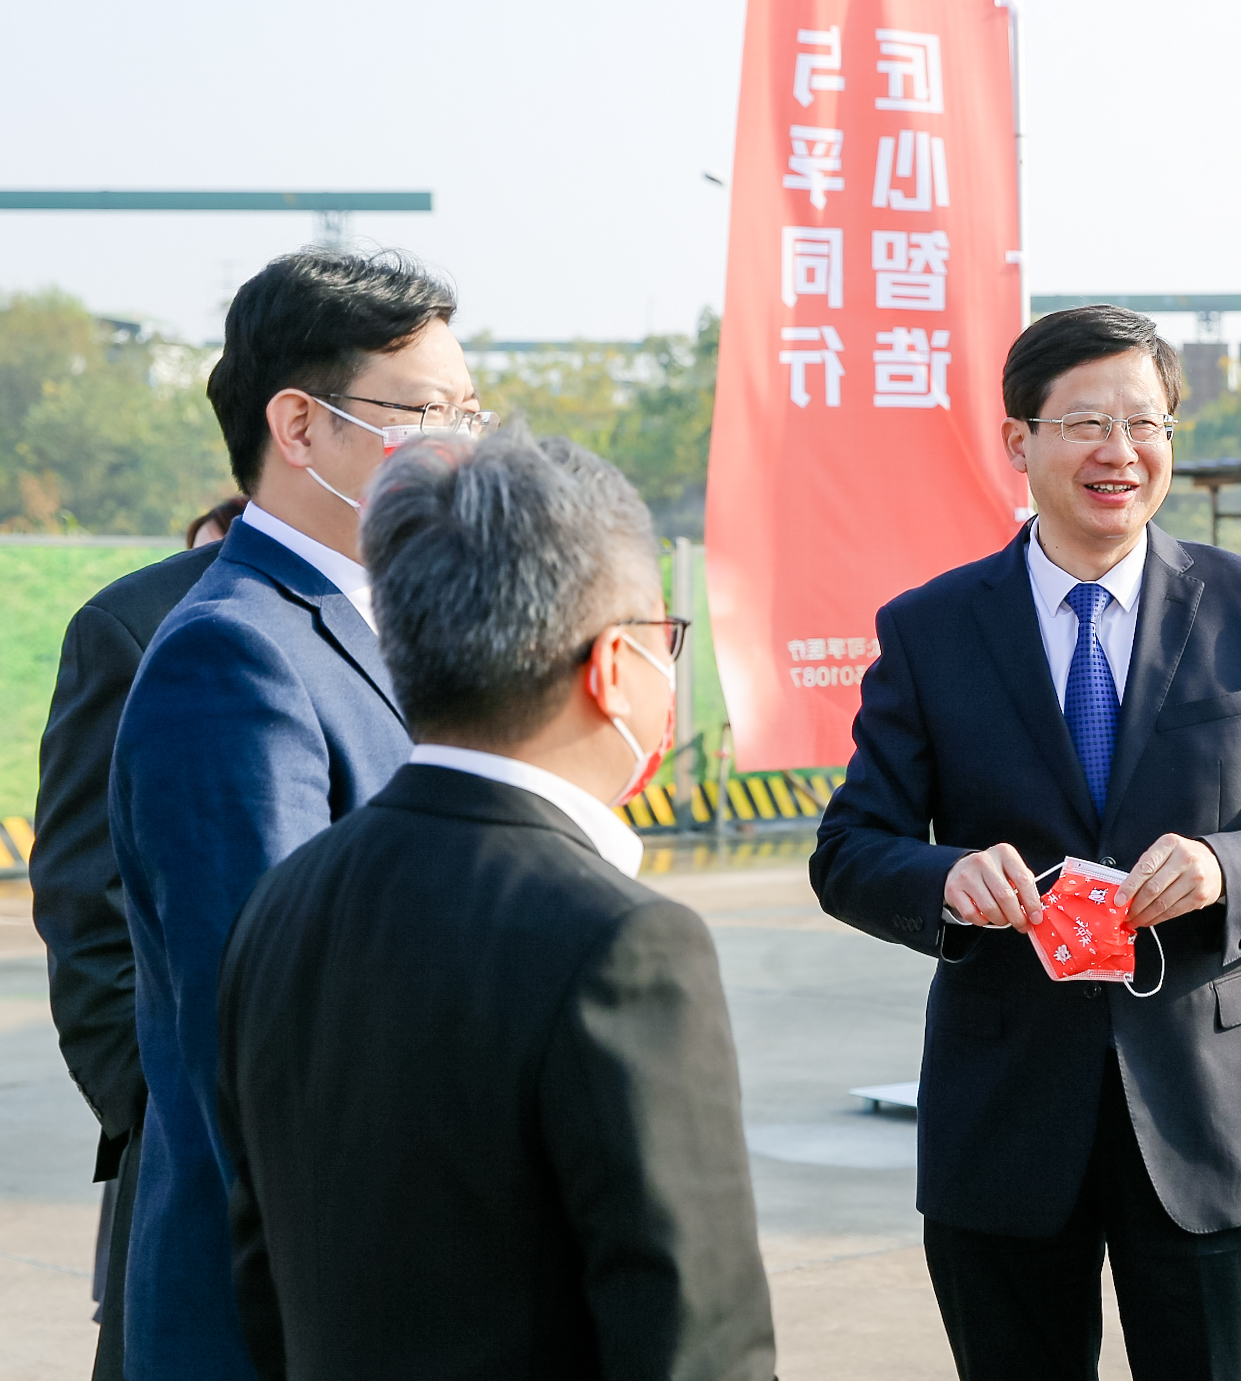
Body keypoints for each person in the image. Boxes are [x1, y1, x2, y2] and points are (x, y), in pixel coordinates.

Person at [811, 305, 1241, 1380]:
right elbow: (849, 848)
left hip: (1207, 1117)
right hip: (1004, 1114)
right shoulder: (930, 630)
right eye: (1084, 423)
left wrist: (1222, 866)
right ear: (1017, 440)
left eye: (1144, 422)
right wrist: (945, 876)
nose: (1119, 451)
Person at [215, 432, 774, 1381]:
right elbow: (696, 1339)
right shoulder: (624, 942)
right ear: (614, 665)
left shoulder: (282, 903)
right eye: (665, 637)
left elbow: (262, 1277)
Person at [108, 249, 491, 1378]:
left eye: (471, 412)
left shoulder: (394, 628)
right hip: (291, 1308)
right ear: (299, 425)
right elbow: (266, 1032)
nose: (461, 444)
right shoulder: (237, 654)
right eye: (426, 411)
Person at [31, 526, 235, 1379]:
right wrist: (160, 1111)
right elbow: (85, 900)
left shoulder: (454, 595)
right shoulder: (140, 622)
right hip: (199, 1171)